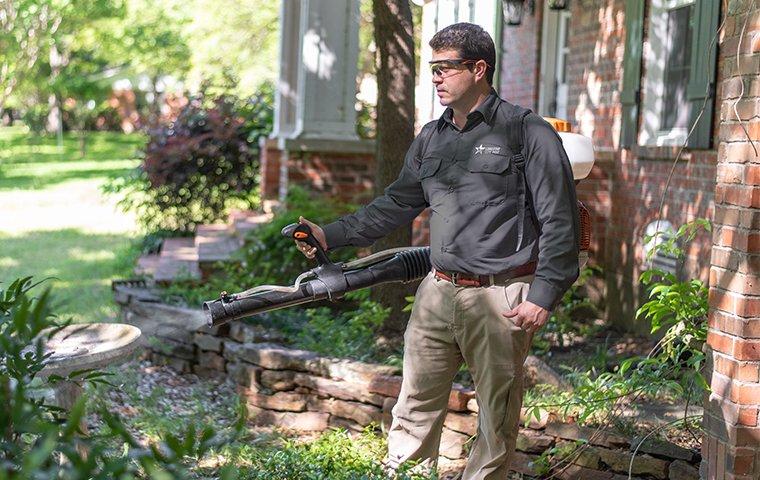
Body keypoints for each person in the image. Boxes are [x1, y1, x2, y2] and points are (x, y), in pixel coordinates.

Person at [294, 22, 579, 480]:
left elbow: (560, 220)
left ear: (479, 68)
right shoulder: (432, 137)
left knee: (495, 418)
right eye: (433, 69)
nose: (437, 78)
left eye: (446, 68)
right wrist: (331, 234)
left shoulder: (528, 133)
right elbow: (397, 202)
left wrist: (543, 295)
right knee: (414, 404)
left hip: (501, 295)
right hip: (437, 289)